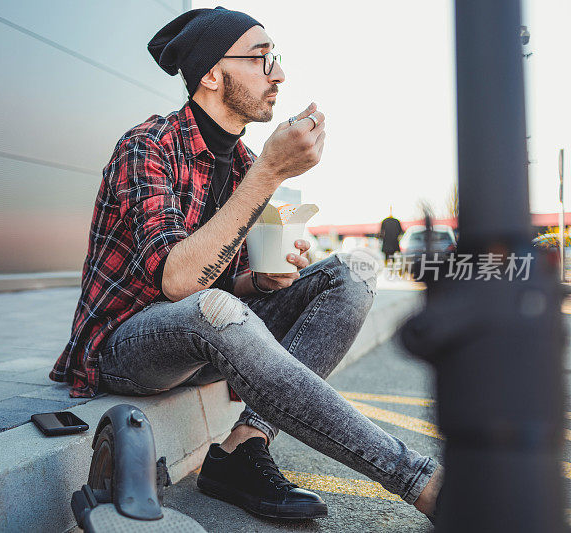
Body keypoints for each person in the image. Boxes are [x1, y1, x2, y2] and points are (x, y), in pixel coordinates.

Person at [50, 6, 443, 522]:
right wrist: (271, 172)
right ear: (212, 73)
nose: (278, 74)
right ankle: (422, 482)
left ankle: (243, 444)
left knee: (356, 270)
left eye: (276, 59)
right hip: (123, 347)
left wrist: (257, 279)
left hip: (200, 336)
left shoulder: (241, 164)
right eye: (262, 59)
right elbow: (178, 281)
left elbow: (221, 280)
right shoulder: (147, 147)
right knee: (210, 307)